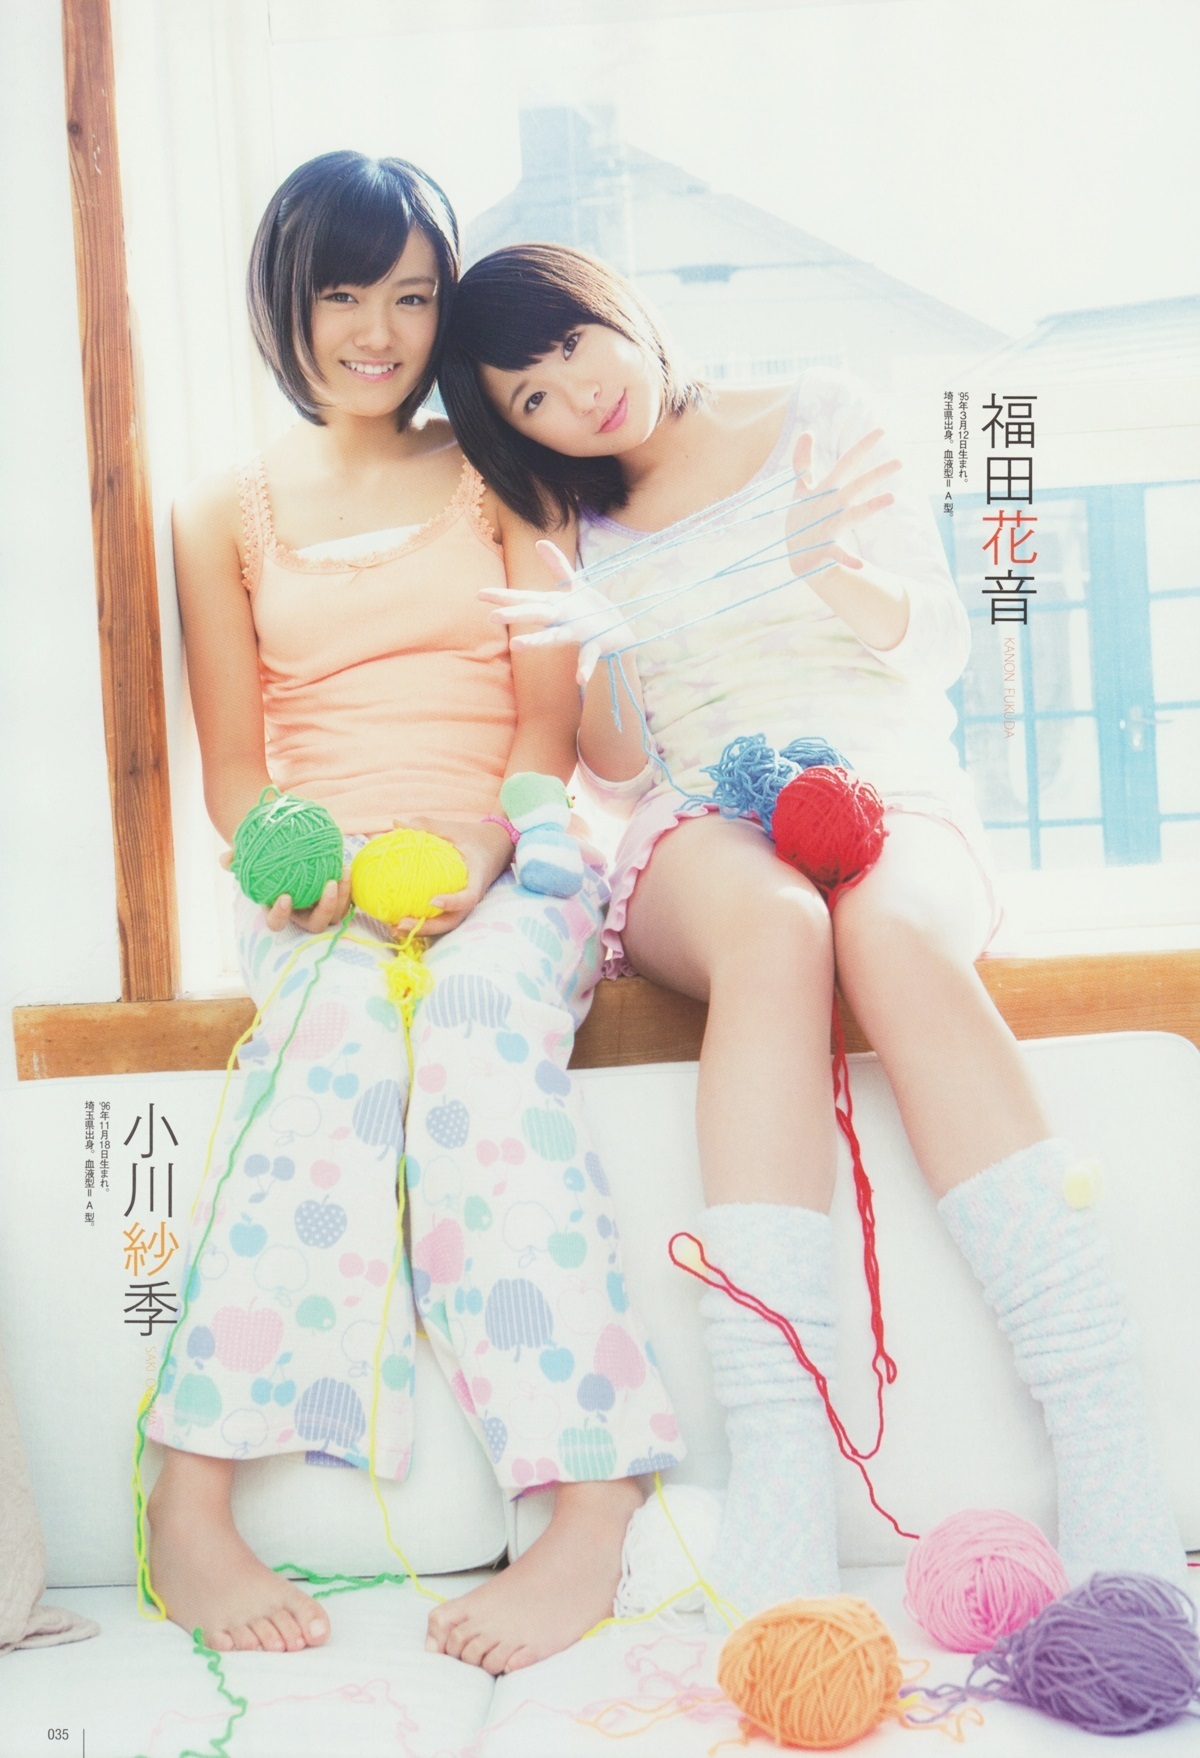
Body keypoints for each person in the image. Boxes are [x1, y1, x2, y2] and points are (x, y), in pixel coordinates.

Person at [439, 242, 1187, 1617]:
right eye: (530, 396)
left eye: (573, 344)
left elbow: (941, 648)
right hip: (703, 824)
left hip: (889, 785)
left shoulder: (818, 412)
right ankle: (779, 1461)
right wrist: (604, 645)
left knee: (889, 938)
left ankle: (1105, 1431)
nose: (576, 396)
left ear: (619, 309)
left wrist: (829, 569)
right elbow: (618, 770)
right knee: (781, 926)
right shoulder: (571, 524)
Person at [146, 165, 681, 1672]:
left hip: (512, 863)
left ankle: (589, 1501)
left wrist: (481, 851)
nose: (378, 330)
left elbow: (544, 730)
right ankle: (190, 1497)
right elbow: (236, 773)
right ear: (288, 304)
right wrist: (303, 863)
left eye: (412, 295)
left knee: (478, 1044)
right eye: (343, 294)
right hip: (319, 882)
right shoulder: (218, 510)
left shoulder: (498, 472)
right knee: (324, 1055)